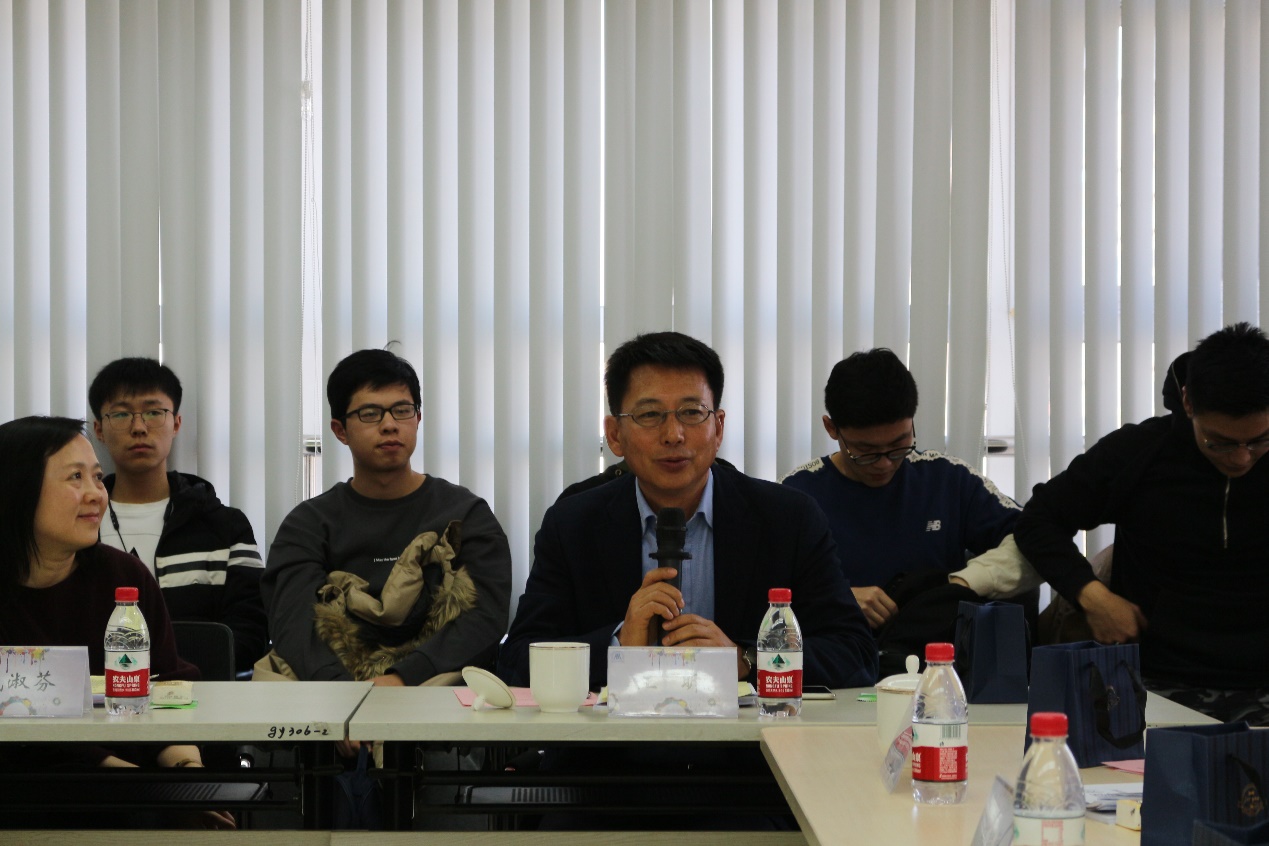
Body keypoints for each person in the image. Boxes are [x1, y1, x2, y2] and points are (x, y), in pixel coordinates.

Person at [499, 331, 876, 693]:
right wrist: (618, 645)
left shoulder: (788, 519)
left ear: (718, 427)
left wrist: (745, 659)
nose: (673, 434)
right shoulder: (573, 524)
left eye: (692, 412)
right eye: (650, 414)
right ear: (614, 435)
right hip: (617, 737)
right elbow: (517, 661)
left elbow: (855, 654)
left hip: (749, 737)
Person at [1016, 322, 1269, 724]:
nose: (1241, 458)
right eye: (1219, 442)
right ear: (1188, 403)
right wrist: (1093, 596)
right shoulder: (1140, 453)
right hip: (1154, 682)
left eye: (1258, 441)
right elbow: (1039, 519)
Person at [0, 416, 233, 830]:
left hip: (132, 788)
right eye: (75, 478)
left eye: (96, 476)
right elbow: (27, 736)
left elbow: (167, 688)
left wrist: (186, 775)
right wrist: (141, 785)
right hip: (27, 791)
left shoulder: (124, 578)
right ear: (18, 490)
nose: (96, 494)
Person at [262, 348, 512, 695]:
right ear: (340, 430)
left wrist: (401, 679)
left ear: (418, 418)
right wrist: (345, 697)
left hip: (436, 692)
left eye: (402, 410)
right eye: (370, 413)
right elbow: (293, 625)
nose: (390, 424)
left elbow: (485, 618)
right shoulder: (307, 524)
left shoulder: (465, 515)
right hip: (329, 697)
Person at [780, 348, 1036, 631]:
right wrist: (836, 598)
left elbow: (1036, 539)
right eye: (866, 451)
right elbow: (761, 589)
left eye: (899, 445)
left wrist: (961, 584)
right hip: (835, 652)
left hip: (935, 651)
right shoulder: (794, 497)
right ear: (831, 428)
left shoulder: (948, 480)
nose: (885, 464)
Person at [88, 357, 267, 673]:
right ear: (99, 430)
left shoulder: (226, 527)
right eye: (121, 414)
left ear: (176, 424)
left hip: (202, 694)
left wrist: (175, 676)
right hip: (101, 697)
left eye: (154, 412)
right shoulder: (80, 525)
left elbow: (251, 631)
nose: (139, 427)